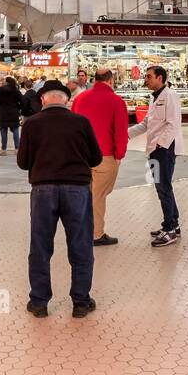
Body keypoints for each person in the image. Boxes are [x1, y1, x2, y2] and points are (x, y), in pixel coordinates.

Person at [17, 80, 101, 316]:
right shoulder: (81, 122)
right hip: (77, 190)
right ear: (66, 99)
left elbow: (23, 162)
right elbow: (95, 158)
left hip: (43, 190)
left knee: (41, 246)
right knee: (81, 244)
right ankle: (81, 302)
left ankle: (40, 302)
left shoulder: (31, 124)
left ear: (43, 99)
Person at [72, 68, 128, 246]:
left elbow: (72, 125)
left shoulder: (80, 98)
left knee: (84, 193)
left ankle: (80, 230)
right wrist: (119, 155)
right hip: (104, 155)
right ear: (110, 80)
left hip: (80, 156)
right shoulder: (116, 101)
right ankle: (96, 234)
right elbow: (121, 131)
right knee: (98, 195)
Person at [128, 66, 182, 247]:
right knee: (164, 186)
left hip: (163, 150)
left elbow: (173, 123)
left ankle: (170, 230)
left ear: (160, 77)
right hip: (155, 149)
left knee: (163, 188)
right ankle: (173, 223)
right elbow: (146, 124)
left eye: (149, 76)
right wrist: (125, 134)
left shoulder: (170, 95)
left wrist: (161, 144)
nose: (146, 79)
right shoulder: (155, 97)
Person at [0, 75, 25, 154]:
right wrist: (18, 107)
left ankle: (3, 149)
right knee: (15, 130)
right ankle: (17, 149)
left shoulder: (1, 90)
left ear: (6, 82)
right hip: (14, 112)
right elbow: (22, 101)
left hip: (3, 112)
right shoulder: (16, 90)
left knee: (3, 130)